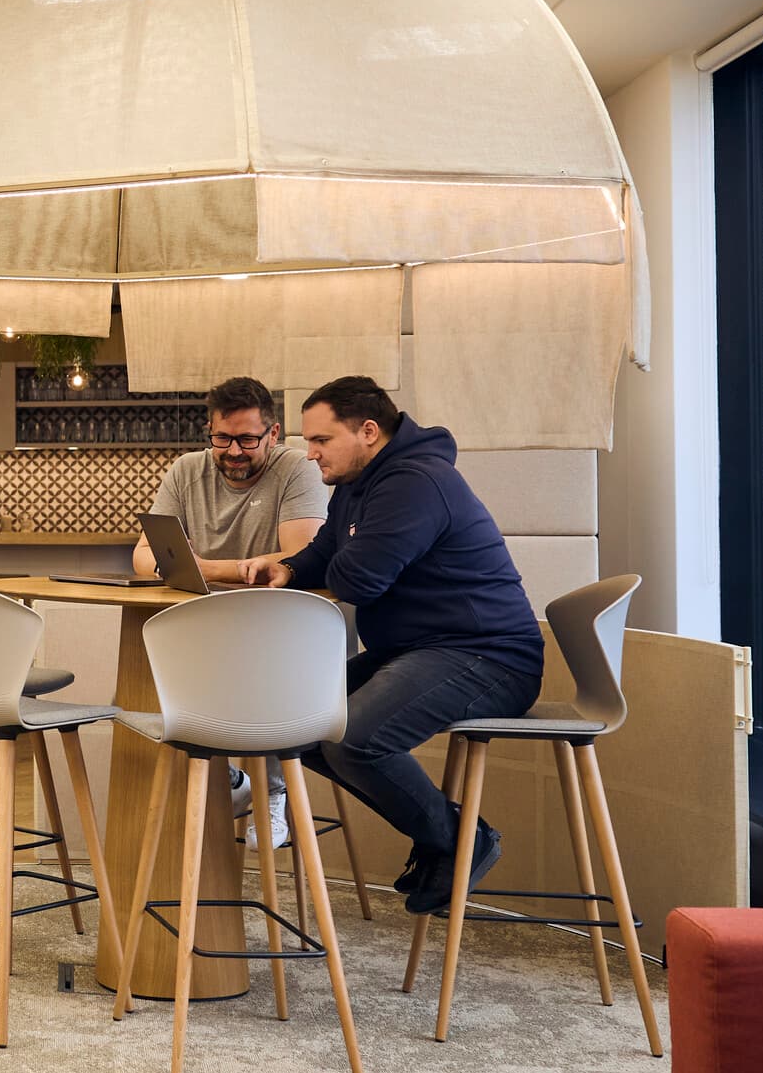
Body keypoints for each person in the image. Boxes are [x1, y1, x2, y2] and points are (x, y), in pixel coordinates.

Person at [241, 375, 542, 915]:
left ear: (368, 431)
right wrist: (289, 568)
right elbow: (327, 554)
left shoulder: (416, 482)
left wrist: (339, 563)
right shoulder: (359, 483)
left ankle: (456, 840)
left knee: (354, 737)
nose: (310, 454)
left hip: (489, 656)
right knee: (295, 722)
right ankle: (445, 837)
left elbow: (360, 581)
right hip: (418, 650)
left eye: (321, 440)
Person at [134, 375, 328, 847]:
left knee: (255, 669)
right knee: (161, 674)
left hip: (281, 627)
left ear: (273, 433)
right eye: (222, 438)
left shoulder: (297, 469)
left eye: (247, 439)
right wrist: (226, 569)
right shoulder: (186, 470)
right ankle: (235, 783)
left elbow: (300, 555)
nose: (233, 451)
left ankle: (272, 792)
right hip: (206, 628)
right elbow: (143, 555)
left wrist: (203, 568)